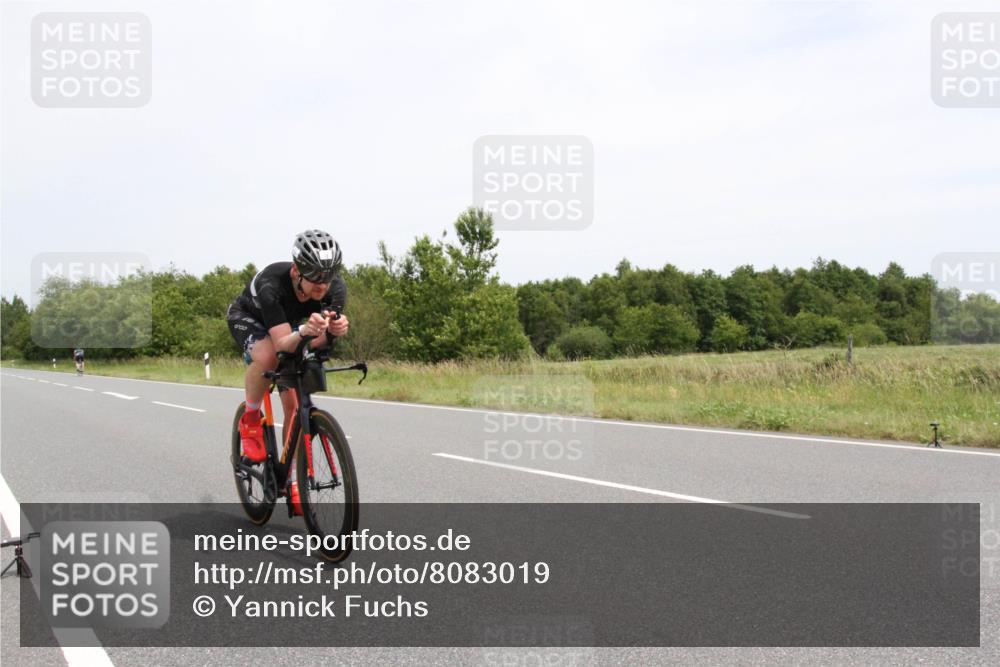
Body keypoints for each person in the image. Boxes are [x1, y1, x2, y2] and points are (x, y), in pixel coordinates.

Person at [227, 230, 350, 464]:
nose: (322, 283)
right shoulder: (270, 284)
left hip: (287, 323)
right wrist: (303, 331)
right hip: (248, 317)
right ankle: (250, 418)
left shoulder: (335, 290)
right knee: (270, 355)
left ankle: (292, 479)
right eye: (314, 274)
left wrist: (333, 333)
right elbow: (283, 343)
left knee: (294, 410)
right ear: (296, 271)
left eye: (329, 275)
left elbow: (315, 342)